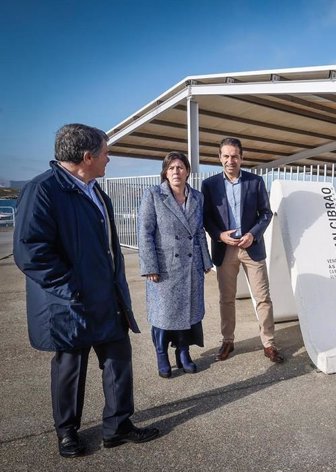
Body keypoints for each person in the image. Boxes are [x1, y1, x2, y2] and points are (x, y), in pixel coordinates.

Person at [13, 124, 159, 458]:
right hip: (69, 303)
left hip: (107, 298)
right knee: (70, 370)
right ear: (87, 156)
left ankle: (118, 426)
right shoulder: (42, 190)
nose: (110, 158)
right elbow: (30, 252)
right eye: (106, 152)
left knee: (118, 362)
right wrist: (71, 289)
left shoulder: (97, 192)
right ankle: (67, 433)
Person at [201, 137, 284, 363]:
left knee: (263, 298)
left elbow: (265, 213)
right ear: (219, 158)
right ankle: (228, 340)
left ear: (242, 158)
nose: (230, 160)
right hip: (224, 249)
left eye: (235, 156)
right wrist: (219, 235)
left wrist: (252, 234)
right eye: (226, 156)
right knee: (226, 298)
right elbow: (206, 217)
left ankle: (269, 342)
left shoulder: (255, 182)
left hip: (251, 247)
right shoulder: (209, 185)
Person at [137, 151, 213, 377]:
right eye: (171, 168)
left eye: (180, 167)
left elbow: (199, 232)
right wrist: (150, 266)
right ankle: (162, 354)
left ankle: (183, 352)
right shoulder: (153, 195)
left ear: (188, 171)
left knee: (188, 313)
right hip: (164, 268)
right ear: (165, 172)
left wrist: (206, 261)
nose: (176, 172)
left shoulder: (197, 197)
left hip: (191, 265)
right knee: (164, 314)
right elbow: (145, 232)